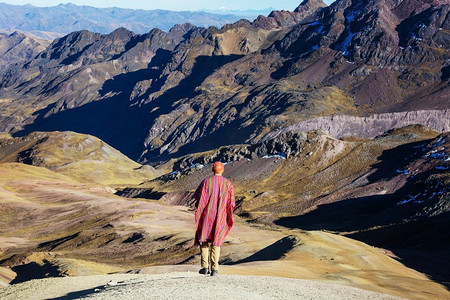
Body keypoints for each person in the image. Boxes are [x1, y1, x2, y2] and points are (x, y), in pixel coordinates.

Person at [193, 161, 235, 276]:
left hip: (207, 216)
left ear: (213, 169)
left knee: (204, 240)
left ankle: (205, 267)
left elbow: (198, 197)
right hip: (220, 217)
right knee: (217, 241)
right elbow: (231, 203)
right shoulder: (228, 184)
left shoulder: (206, 182)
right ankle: (215, 269)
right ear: (222, 170)